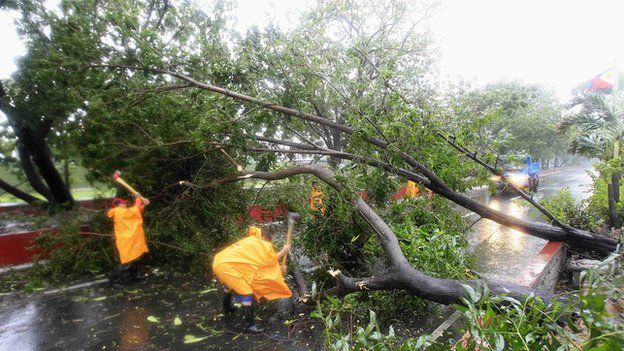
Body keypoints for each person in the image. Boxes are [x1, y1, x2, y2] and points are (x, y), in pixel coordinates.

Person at [212, 226, 292, 334]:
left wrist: (279, 269)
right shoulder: (258, 243)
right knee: (246, 292)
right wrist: (284, 251)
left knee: (231, 284)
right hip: (226, 266)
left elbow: (259, 266)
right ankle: (249, 326)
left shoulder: (251, 241)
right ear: (264, 238)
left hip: (220, 262)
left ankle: (226, 308)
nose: (268, 246)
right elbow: (270, 259)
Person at [107, 194, 150, 286]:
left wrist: (145, 204)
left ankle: (134, 276)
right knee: (127, 262)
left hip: (132, 240)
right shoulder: (119, 212)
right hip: (126, 241)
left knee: (135, 258)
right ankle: (115, 281)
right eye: (124, 203)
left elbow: (136, 212)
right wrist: (138, 199)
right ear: (118, 205)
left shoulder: (124, 211)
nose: (126, 204)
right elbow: (135, 210)